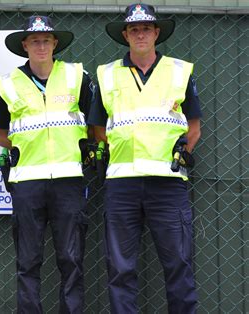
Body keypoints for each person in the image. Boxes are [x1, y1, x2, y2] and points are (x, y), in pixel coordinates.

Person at [89, 4, 201, 313]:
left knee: (178, 264)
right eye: (134, 29)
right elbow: (98, 128)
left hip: (168, 183)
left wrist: (183, 154)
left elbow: (194, 127)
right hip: (121, 185)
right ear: (125, 35)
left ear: (157, 33)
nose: (141, 34)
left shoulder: (180, 71)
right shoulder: (107, 74)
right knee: (121, 269)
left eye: (147, 28)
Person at [0, 15, 94, 313]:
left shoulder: (77, 77)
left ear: (55, 43)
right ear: (25, 45)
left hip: (69, 180)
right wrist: (28, 144)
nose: (41, 45)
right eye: (34, 40)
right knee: (28, 261)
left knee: (71, 260)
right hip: (27, 183)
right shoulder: (9, 84)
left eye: (46, 39)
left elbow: (95, 125)